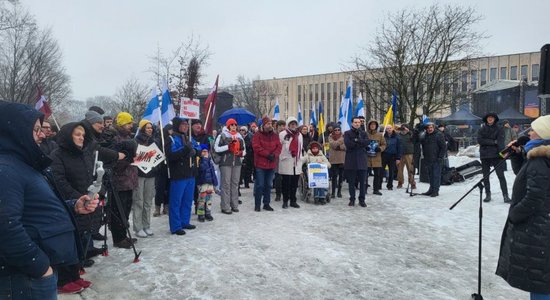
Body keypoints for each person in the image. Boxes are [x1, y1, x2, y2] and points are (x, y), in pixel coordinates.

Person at [0, 101, 99, 298]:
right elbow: (5, 225)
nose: (42, 134)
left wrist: (74, 206)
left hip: (36, 273)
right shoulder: (6, 169)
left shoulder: (23, 165)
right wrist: (39, 265)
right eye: (35, 129)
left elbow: (38, 208)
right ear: (14, 131)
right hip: (25, 277)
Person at [496, 115, 550, 300]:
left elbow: (534, 195)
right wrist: (518, 156)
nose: (529, 132)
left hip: (538, 228)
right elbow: (525, 175)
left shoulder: (539, 160)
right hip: (543, 225)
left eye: (533, 130)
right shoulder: (539, 157)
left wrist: (515, 214)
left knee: (540, 281)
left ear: (543, 134)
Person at [51, 122, 103, 293]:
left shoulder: (84, 154)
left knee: (81, 238)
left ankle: (75, 275)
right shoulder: (57, 155)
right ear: (68, 136)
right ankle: (64, 280)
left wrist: (95, 192)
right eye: (77, 134)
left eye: (83, 135)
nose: (81, 138)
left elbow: (90, 176)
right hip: (69, 204)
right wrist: (76, 197)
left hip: (85, 202)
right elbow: (59, 180)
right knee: (69, 242)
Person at [104, 112, 139, 248]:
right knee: (118, 210)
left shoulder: (128, 137)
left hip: (129, 179)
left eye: (131, 123)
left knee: (126, 210)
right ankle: (118, 238)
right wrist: (128, 159)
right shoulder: (114, 138)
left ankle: (124, 235)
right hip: (119, 180)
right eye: (128, 123)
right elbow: (113, 160)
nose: (131, 126)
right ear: (121, 124)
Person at [165, 117, 197, 235]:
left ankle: (185, 221)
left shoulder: (188, 137)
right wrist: (186, 149)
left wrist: (196, 151)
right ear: (177, 125)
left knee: (188, 200)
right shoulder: (171, 138)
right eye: (183, 124)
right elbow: (171, 155)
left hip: (190, 173)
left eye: (187, 124)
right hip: (178, 174)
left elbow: (198, 148)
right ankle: (175, 225)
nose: (186, 126)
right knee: (176, 201)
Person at [214, 118, 246, 214]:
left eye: (235, 125)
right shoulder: (222, 135)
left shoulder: (239, 136)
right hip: (225, 162)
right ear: (228, 126)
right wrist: (228, 147)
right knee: (226, 184)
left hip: (236, 162)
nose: (234, 127)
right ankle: (225, 206)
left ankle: (234, 204)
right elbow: (216, 148)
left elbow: (244, 150)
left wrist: (241, 153)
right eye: (232, 125)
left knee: (235, 184)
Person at [477, 112, 510, 203]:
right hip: (484, 155)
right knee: (485, 177)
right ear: (486, 119)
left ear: (495, 119)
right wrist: (493, 142)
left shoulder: (500, 129)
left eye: (492, 117)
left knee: (501, 176)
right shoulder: (482, 129)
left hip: (497, 155)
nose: (490, 119)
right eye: (488, 117)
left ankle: (505, 195)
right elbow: (480, 140)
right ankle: (488, 194)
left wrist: (503, 155)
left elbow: (500, 142)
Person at [132, 120, 157, 238]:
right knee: (139, 201)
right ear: (142, 129)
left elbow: (157, 156)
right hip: (139, 174)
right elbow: (134, 157)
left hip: (151, 174)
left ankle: (147, 225)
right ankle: (138, 227)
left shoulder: (154, 141)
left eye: (151, 128)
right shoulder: (136, 141)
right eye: (147, 128)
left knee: (148, 201)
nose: (149, 129)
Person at [252, 116, 282, 211]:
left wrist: (274, 155)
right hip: (260, 164)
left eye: (270, 124)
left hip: (271, 163)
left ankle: (266, 203)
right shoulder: (257, 135)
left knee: (268, 185)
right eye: (268, 124)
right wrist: (267, 154)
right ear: (263, 125)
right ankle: (257, 205)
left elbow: (279, 147)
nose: (270, 125)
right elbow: (256, 147)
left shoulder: (275, 135)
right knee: (260, 185)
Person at [278, 117, 304, 209]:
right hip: (286, 160)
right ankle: (285, 201)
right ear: (288, 125)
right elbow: (279, 147)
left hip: (296, 162)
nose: (293, 125)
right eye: (291, 124)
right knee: (286, 183)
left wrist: (300, 159)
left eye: (294, 124)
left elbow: (300, 149)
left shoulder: (299, 135)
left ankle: (293, 200)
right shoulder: (282, 134)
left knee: (294, 183)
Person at [344, 117, 370, 207]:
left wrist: (357, 140)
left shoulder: (364, 133)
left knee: (362, 183)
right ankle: (352, 199)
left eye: (358, 122)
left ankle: (362, 200)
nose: (357, 124)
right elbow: (348, 144)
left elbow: (367, 143)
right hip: (351, 161)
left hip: (362, 161)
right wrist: (359, 143)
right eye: (355, 122)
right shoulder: (347, 133)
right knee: (351, 182)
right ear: (352, 123)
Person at [420, 122, 446, 197]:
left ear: (434, 128)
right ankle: (431, 189)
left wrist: (440, 157)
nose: (430, 129)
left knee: (436, 175)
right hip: (428, 159)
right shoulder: (425, 135)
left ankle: (435, 191)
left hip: (436, 159)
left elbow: (443, 147)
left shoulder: (439, 135)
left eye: (431, 127)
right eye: (428, 128)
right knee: (430, 175)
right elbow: (419, 140)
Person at [196, 145, 217, 222]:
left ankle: (208, 212)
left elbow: (213, 173)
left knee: (209, 199)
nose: (205, 153)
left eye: (206, 151)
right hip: (203, 183)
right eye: (203, 151)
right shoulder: (200, 161)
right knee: (201, 200)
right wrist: (204, 159)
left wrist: (215, 182)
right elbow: (202, 169)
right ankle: (201, 214)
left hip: (210, 183)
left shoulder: (210, 161)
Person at [366, 120, 387, 196]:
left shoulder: (380, 135)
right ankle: (364, 188)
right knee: (365, 175)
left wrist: (380, 149)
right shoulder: (365, 134)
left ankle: (376, 189)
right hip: (367, 158)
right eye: (371, 125)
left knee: (377, 175)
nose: (372, 126)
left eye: (374, 125)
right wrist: (365, 148)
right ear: (369, 126)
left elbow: (384, 144)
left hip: (377, 158)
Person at [396, 124, 416, 190]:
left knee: (410, 169)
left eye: (405, 129)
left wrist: (409, 131)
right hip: (400, 154)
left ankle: (412, 183)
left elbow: (415, 138)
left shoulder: (410, 134)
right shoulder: (398, 135)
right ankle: (400, 182)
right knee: (399, 169)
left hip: (409, 154)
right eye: (402, 129)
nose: (403, 130)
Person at [328, 124, 345, 198]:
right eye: (335, 130)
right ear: (333, 131)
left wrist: (340, 146)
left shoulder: (344, 136)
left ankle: (339, 192)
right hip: (333, 159)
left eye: (338, 130)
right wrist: (341, 142)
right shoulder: (330, 136)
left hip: (342, 159)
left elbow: (346, 146)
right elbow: (333, 145)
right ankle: (333, 192)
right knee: (334, 176)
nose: (337, 131)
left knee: (341, 177)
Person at [382, 125, 401, 190]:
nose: (389, 129)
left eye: (390, 128)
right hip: (384, 155)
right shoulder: (383, 136)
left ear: (392, 129)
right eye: (387, 128)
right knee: (381, 171)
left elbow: (399, 148)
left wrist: (398, 158)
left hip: (393, 156)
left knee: (391, 172)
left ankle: (390, 185)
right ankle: (379, 185)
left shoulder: (397, 137)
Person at [273, 119, 287, 202]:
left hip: (285, 157)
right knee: (278, 176)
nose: (282, 127)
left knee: (285, 176)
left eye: (283, 126)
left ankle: (285, 193)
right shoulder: (275, 135)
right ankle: (278, 194)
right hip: (277, 157)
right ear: (277, 126)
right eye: (280, 126)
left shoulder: (287, 134)